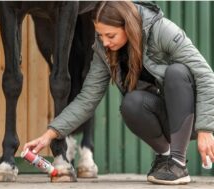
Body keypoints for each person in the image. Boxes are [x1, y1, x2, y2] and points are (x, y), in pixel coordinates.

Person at [24, 1, 214, 185]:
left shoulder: (161, 30)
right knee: (132, 103)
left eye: (110, 35)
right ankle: (165, 158)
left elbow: (206, 75)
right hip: (165, 115)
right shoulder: (103, 50)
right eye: (100, 35)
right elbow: (87, 99)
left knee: (177, 73)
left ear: (127, 26)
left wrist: (206, 128)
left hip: (192, 115)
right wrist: (50, 134)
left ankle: (178, 164)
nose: (105, 42)